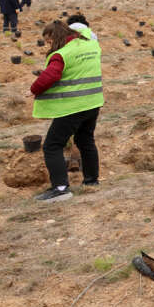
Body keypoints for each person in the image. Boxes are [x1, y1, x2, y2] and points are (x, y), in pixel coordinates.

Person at [29, 19, 103, 201]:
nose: (49, 44)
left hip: (73, 106)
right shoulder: (90, 45)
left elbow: (50, 76)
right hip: (93, 102)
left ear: (56, 37)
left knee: (52, 145)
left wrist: (33, 90)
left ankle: (61, 189)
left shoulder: (62, 54)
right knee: (85, 140)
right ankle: (91, 181)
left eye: (49, 41)